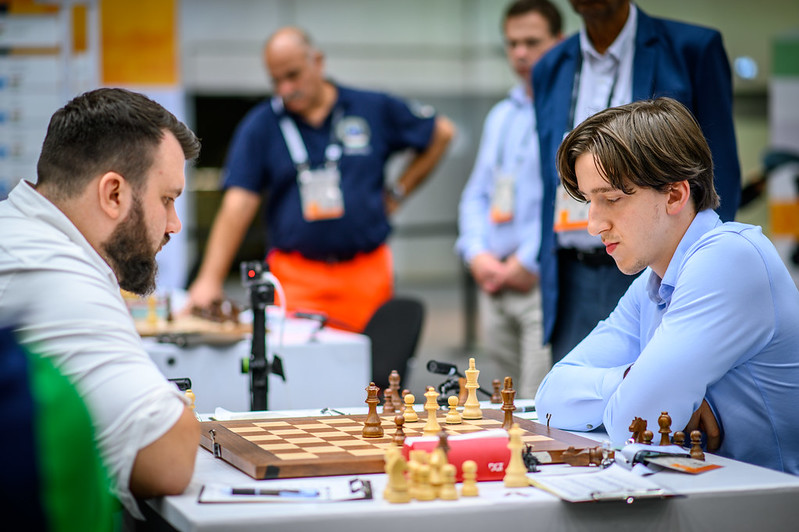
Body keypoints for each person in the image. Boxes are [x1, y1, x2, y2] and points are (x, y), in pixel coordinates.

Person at [535, 97, 799, 474]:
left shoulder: (729, 258)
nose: (593, 225)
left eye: (611, 199)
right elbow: (550, 396)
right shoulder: (654, 281)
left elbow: (634, 423)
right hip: (714, 493)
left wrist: (647, 395)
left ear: (675, 194)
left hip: (774, 502)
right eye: (589, 202)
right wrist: (633, 379)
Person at [0, 88, 202, 518]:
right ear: (113, 194)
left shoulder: (18, 231)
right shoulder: (53, 271)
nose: (174, 225)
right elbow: (167, 454)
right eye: (167, 199)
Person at [186, 27, 455, 332]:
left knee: (371, 360)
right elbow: (238, 204)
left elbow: (442, 133)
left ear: (317, 61)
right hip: (295, 277)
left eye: (293, 75)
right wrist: (209, 279)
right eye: (276, 81)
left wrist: (397, 192)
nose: (286, 89)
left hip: (365, 273)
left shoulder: (371, 107)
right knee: (293, 358)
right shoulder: (262, 125)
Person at [532, 0, 742, 363]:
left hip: (662, 266)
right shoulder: (550, 66)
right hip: (571, 272)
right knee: (572, 383)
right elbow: (547, 173)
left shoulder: (691, 49)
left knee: (667, 384)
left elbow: (717, 167)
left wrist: (704, 266)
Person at [456, 0, 561, 398]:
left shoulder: (571, 113)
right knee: (502, 405)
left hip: (539, 281)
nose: (520, 53)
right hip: (495, 283)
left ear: (559, 42)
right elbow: (476, 195)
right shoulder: (501, 114)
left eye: (532, 42)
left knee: (537, 406)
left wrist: (528, 261)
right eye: (512, 43)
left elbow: (574, 198)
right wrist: (476, 254)